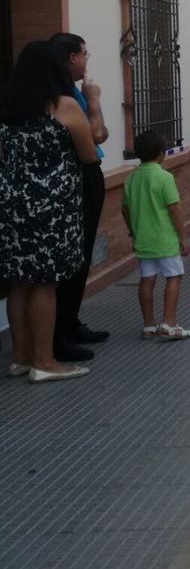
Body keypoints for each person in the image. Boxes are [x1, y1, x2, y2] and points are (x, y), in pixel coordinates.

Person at [1, 40, 96, 382]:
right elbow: (89, 154)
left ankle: (21, 357)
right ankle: (45, 362)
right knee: (45, 282)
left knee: (19, 282)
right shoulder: (63, 106)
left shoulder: (8, 108)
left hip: (11, 203)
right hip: (51, 207)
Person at [49, 33, 110, 361]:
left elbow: (102, 133)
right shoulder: (66, 96)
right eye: (85, 54)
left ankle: (70, 322)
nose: (87, 60)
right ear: (72, 57)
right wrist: (95, 99)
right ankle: (60, 332)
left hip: (86, 175)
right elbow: (97, 133)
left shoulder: (72, 91)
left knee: (81, 254)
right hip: (79, 177)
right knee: (74, 255)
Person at [122, 130, 190, 340]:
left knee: (147, 280)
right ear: (161, 153)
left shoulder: (131, 179)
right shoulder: (164, 177)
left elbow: (125, 209)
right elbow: (174, 209)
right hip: (165, 239)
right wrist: (183, 237)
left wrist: (133, 231)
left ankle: (149, 324)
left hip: (143, 239)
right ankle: (169, 322)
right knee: (174, 277)